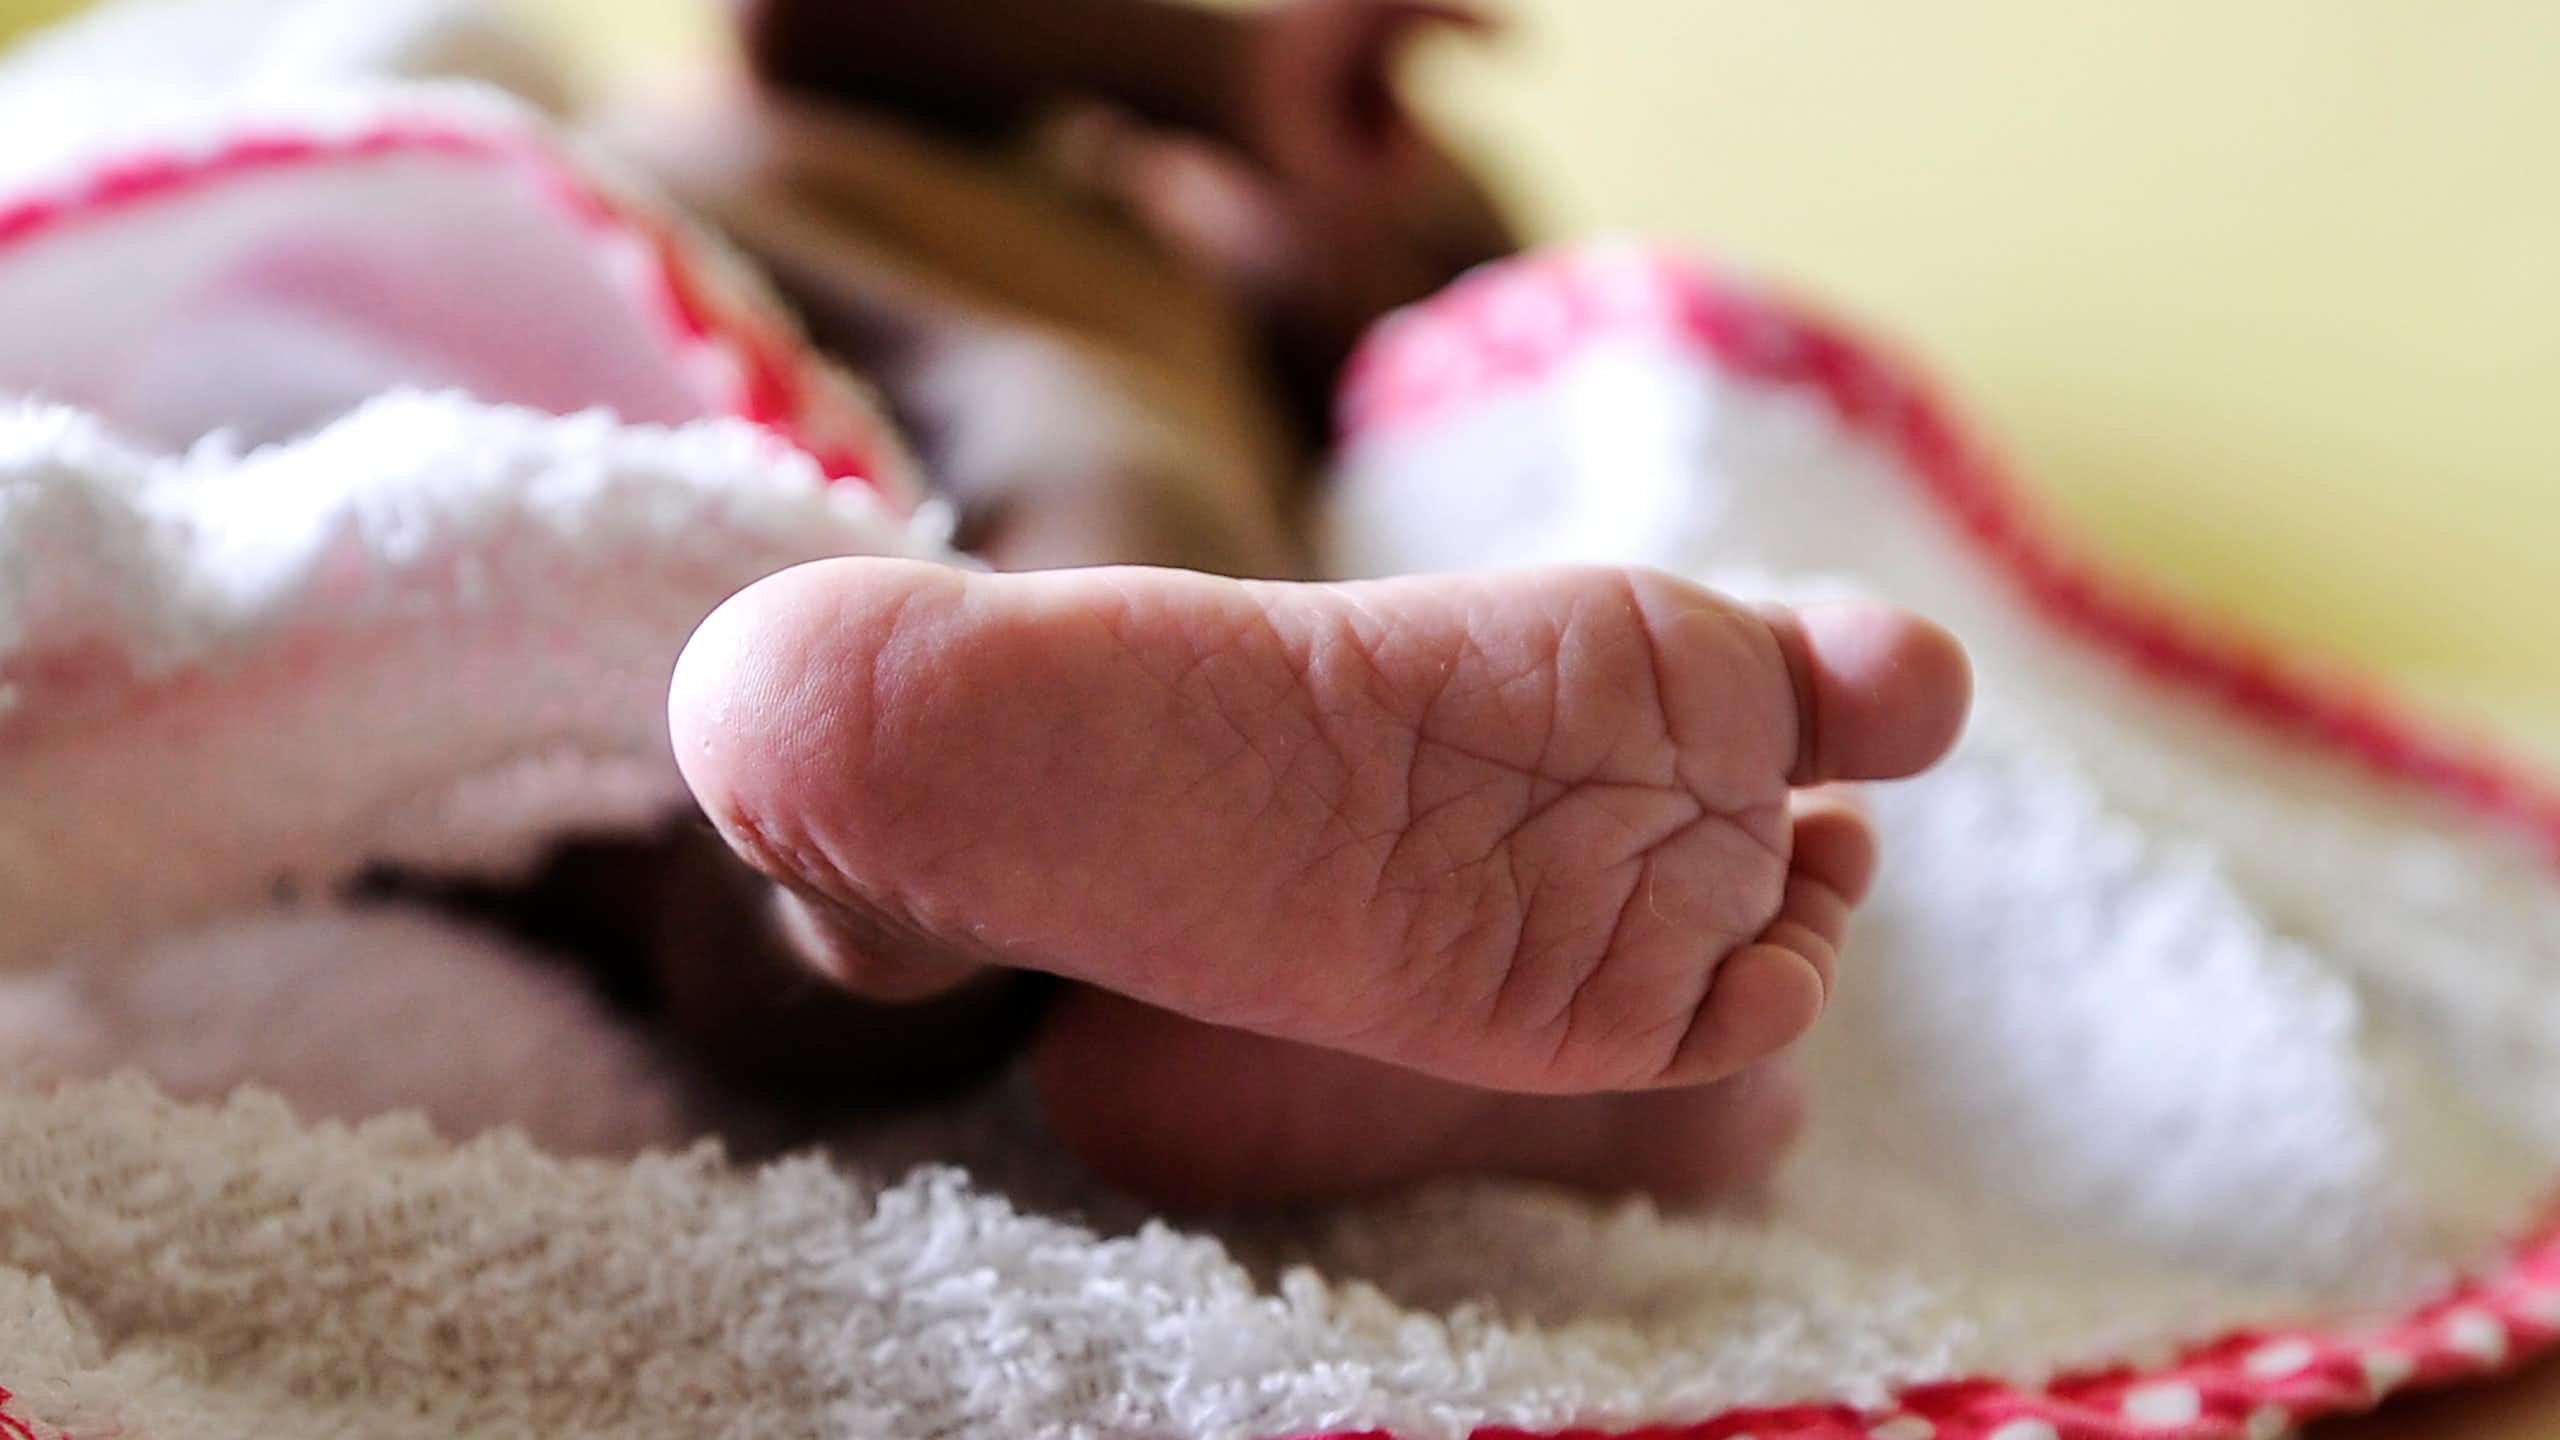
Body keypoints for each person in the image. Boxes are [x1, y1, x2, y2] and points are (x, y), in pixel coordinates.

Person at [504, 0, 1971, 1210]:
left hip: (491, 551)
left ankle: (868, 916)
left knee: (639, 855)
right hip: (542, 252)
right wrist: (1222, 64)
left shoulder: (1231, 381)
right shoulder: (1026, 164)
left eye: (1424, 247)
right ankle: (907, 892)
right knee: (1093, 455)